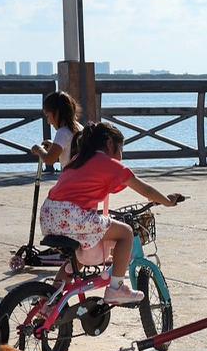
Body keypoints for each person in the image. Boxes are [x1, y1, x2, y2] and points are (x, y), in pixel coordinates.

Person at [40, 122, 184, 304]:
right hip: (73, 216)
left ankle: (47, 303)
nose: (121, 155)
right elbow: (145, 189)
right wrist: (167, 201)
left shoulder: (78, 159)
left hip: (49, 215)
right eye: (120, 149)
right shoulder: (109, 164)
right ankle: (116, 288)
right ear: (109, 143)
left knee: (78, 256)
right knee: (125, 233)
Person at [30, 91, 83, 168]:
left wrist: (38, 149)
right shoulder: (79, 127)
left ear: (57, 112)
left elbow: (50, 160)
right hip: (80, 172)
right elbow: (69, 151)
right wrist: (54, 146)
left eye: (48, 116)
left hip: (70, 174)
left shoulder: (62, 132)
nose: (48, 122)